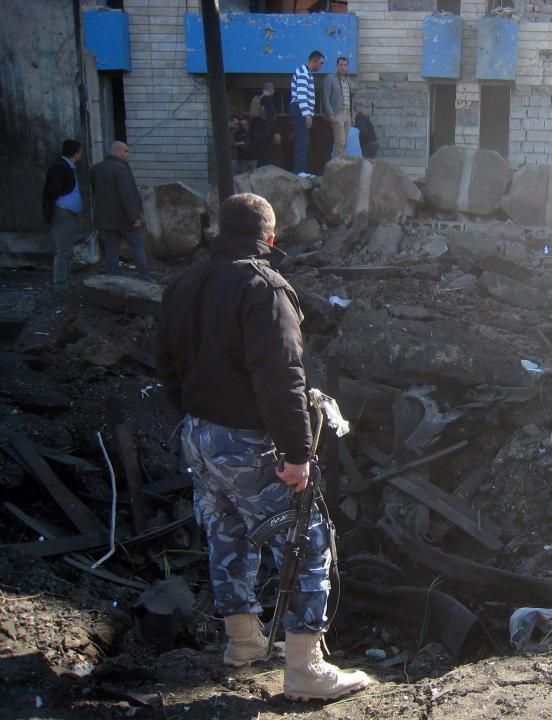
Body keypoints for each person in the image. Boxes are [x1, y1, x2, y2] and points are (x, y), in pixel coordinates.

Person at [155, 193, 374, 702]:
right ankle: (304, 669)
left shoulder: (184, 285)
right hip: (247, 441)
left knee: (227, 533)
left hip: (198, 435)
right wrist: (297, 454)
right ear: (270, 237)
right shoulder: (264, 287)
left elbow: (164, 363)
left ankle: (243, 645)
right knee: (308, 540)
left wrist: (195, 417)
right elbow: (281, 378)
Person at [90, 141, 152, 282]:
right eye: (126, 151)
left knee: (111, 246)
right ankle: (144, 276)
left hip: (106, 218)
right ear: (116, 151)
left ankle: (113, 276)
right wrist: (134, 217)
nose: (128, 154)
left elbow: (95, 191)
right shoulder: (121, 169)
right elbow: (127, 195)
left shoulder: (96, 169)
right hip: (124, 218)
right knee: (136, 245)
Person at [41, 139, 83, 292]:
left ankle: (65, 279)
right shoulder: (61, 167)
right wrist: (58, 206)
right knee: (63, 250)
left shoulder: (66, 167)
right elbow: (52, 191)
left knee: (67, 249)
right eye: (80, 151)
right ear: (76, 152)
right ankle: (60, 284)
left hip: (67, 214)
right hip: (62, 214)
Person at [289, 50, 325, 176]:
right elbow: (301, 94)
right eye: (321, 63)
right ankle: (299, 171)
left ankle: (301, 169)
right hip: (300, 109)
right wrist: (307, 114)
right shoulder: (303, 72)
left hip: (301, 110)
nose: (321, 66)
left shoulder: (307, 73)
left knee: (303, 141)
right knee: (302, 141)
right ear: (314, 61)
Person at [322, 56, 357, 159]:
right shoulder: (330, 78)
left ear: (348, 67)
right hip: (337, 114)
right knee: (340, 141)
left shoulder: (349, 81)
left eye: (345, 65)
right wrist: (331, 114)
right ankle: (336, 165)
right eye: (341, 65)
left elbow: (352, 100)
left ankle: (340, 163)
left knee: (345, 142)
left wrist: (352, 116)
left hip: (347, 115)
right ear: (337, 66)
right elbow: (326, 98)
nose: (343, 67)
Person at [249, 81, 281, 168]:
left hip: (254, 131)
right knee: (265, 157)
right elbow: (270, 117)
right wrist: (275, 132)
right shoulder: (268, 99)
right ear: (271, 90)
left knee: (258, 157)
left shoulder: (255, 99)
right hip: (264, 131)